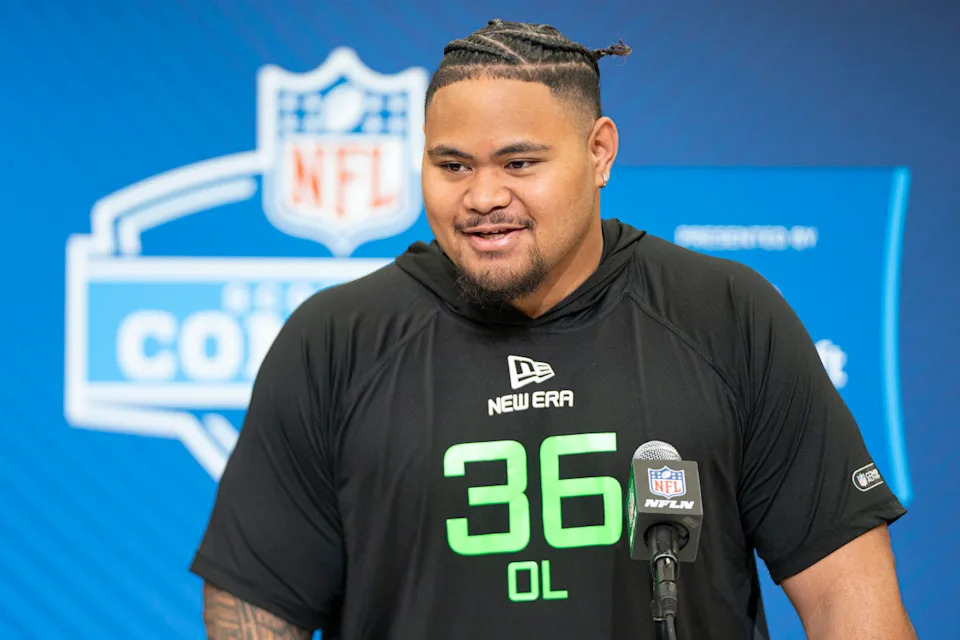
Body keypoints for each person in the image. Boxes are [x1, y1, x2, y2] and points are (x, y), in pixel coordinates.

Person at [191, 19, 915, 640]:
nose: (482, 196)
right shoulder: (337, 341)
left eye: (519, 162)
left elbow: (850, 601)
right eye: (452, 165)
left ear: (599, 152)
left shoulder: (726, 315)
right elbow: (255, 603)